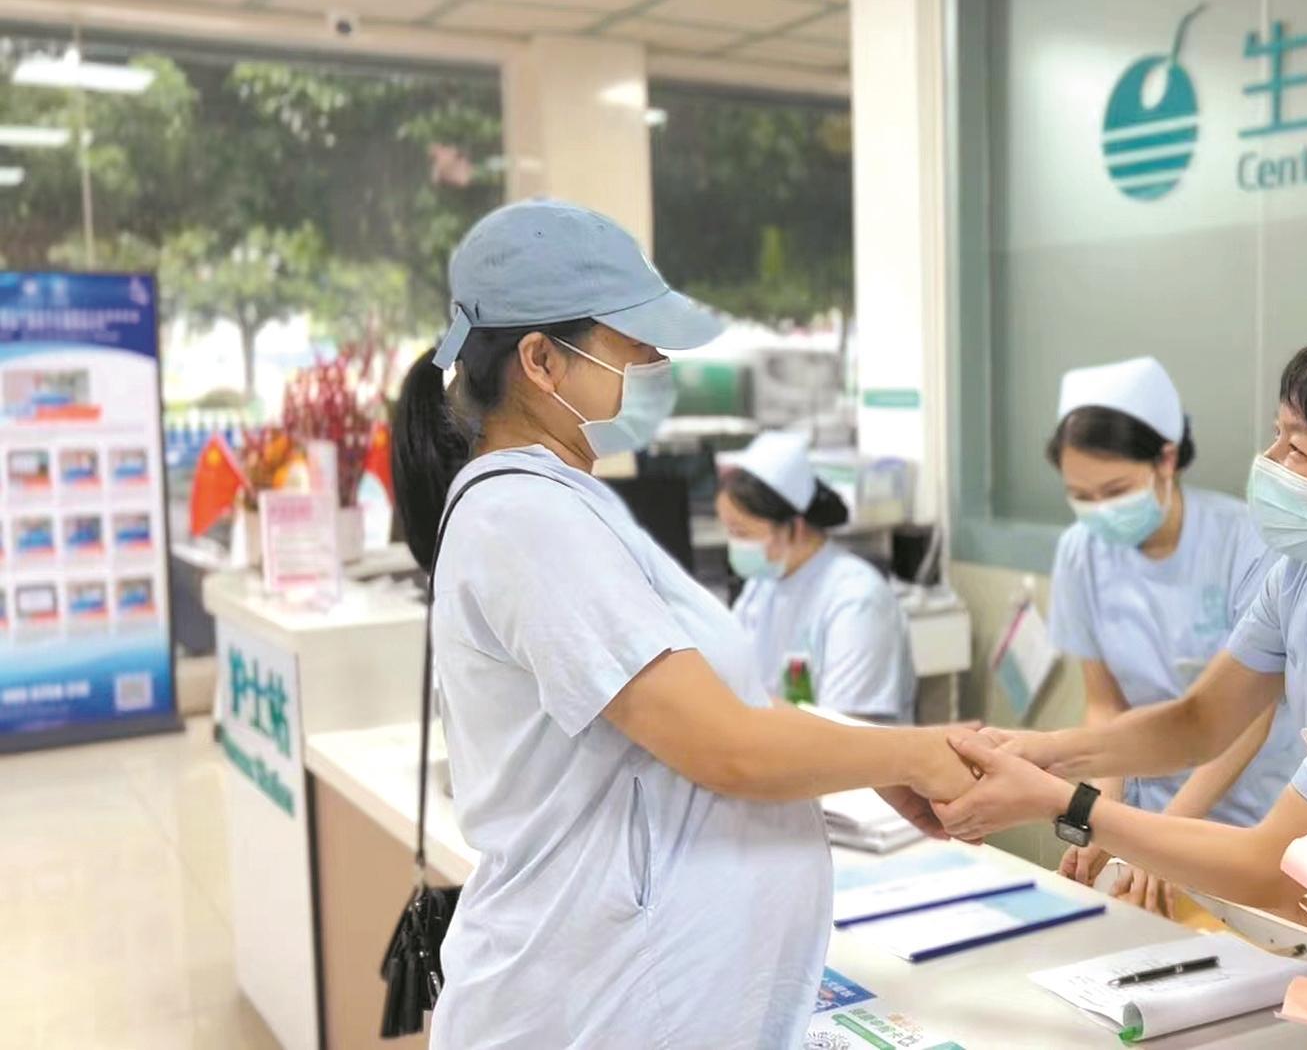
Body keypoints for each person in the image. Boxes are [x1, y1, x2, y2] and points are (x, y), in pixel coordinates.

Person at [392, 199, 974, 1049]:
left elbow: (707, 721)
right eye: (634, 351)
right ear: (541, 361)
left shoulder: (558, 503)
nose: (655, 371)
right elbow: (723, 746)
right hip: (588, 1005)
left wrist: (858, 759)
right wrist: (910, 752)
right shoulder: (525, 516)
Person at [935, 306, 1307, 924]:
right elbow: (1199, 721)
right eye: (1276, 434)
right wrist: (1040, 752)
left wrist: (1069, 804)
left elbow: (1272, 866)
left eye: (1299, 449)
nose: (1270, 461)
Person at [1044, 357, 1282, 915]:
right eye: (1082, 495)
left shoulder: (1245, 543)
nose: (1099, 511)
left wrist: (1164, 837)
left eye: (1115, 489)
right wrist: (1105, 818)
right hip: (1144, 818)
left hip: (1246, 818)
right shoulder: (1080, 553)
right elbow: (1106, 707)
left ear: (1166, 459)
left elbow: (1251, 713)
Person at [719, 430, 918, 724]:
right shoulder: (762, 587)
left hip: (847, 764)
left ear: (795, 528)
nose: (733, 544)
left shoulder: (857, 599)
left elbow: (843, 729)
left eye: (741, 533)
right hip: (776, 755)